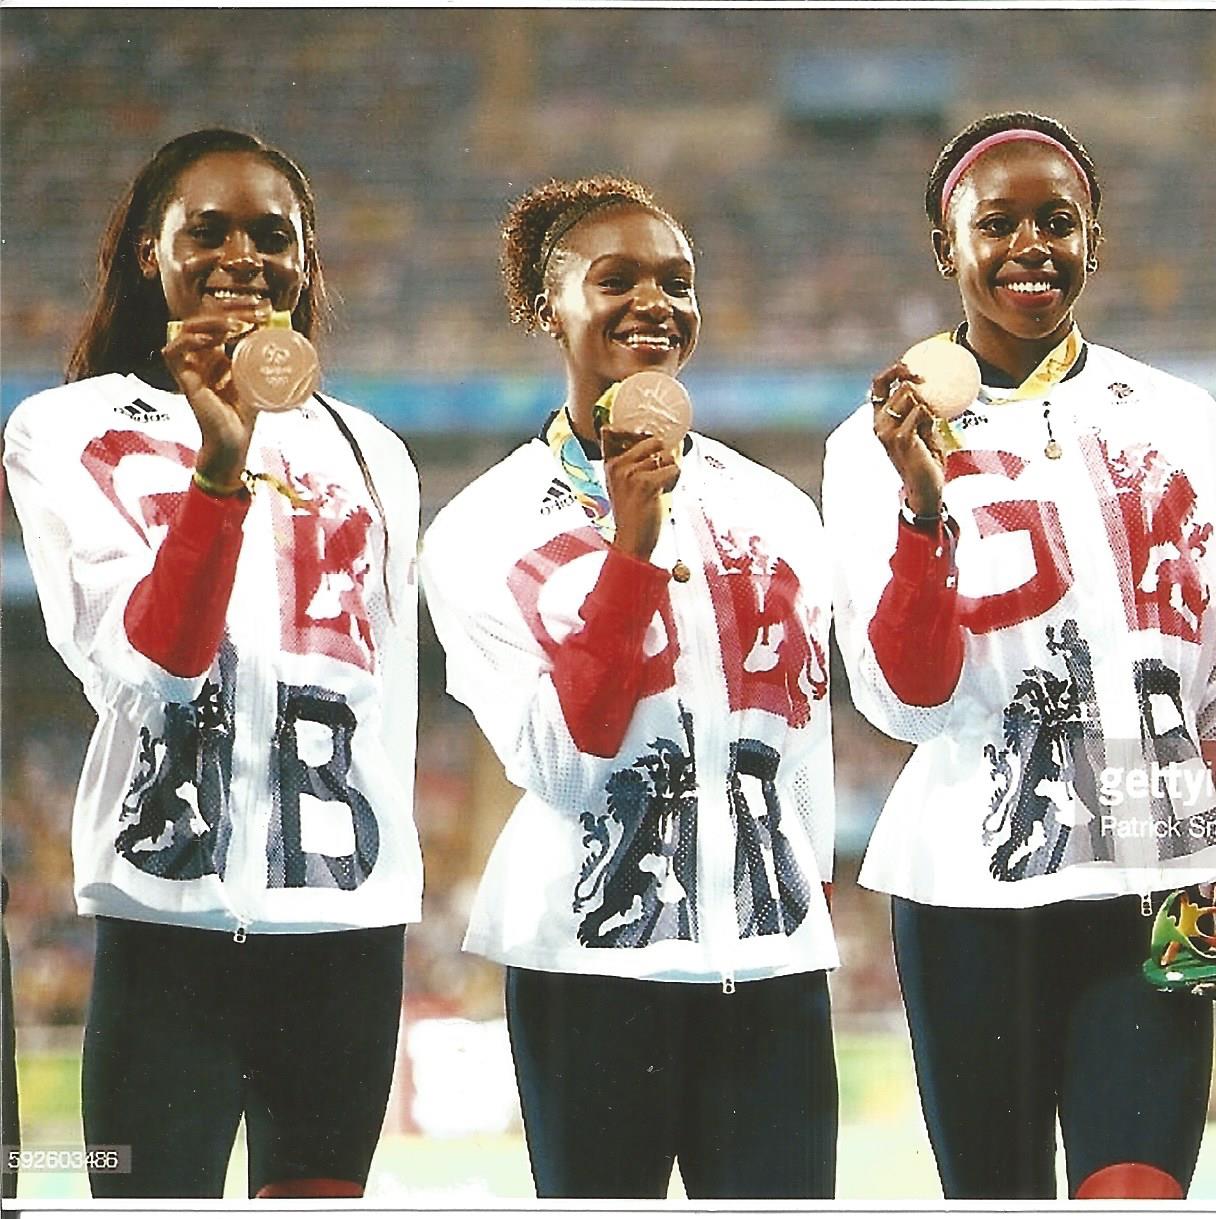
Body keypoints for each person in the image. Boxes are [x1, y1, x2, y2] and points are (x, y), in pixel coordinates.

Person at [822, 111, 1216, 1201]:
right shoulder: (871, 444)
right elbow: (904, 697)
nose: (1030, 246)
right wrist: (921, 513)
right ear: (947, 248)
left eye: (1057, 222)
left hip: (1154, 880)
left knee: (1137, 1191)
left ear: (1094, 238)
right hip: (971, 890)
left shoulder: (1183, 421)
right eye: (998, 224)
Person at [2, 128, 421, 1198]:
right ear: (151, 251)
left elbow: (392, 703)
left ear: (307, 260)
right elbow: (150, 663)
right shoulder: (64, 429)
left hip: (344, 921)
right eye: (211, 229)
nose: (245, 255)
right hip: (167, 915)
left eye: (274, 235)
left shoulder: (373, 447)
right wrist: (221, 465)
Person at [421, 176, 839, 1199]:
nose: (654, 302)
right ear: (545, 307)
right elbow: (560, 764)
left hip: (770, 956)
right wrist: (630, 554)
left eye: (676, 282)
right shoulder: (483, 526)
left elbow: (806, 744)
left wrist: (794, 897)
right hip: (589, 960)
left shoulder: (776, 507)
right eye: (615, 280)